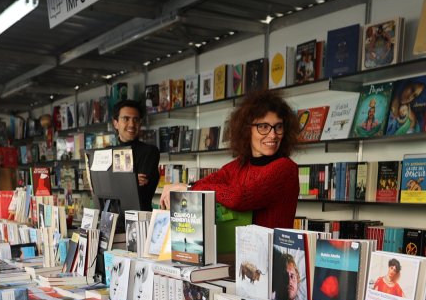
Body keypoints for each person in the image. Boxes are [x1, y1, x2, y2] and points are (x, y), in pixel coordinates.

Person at [159, 90, 300, 230]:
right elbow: (205, 183)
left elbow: (238, 198)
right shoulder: (237, 166)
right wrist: (177, 186)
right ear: (246, 130)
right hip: (239, 250)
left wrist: (189, 188)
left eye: (278, 127)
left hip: (272, 251)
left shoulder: (285, 168)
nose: (273, 135)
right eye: (263, 127)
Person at [110, 99, 160, 209]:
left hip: (139, 220)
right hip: (111, 219)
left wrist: (111, 181)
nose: (132, 124)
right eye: (126, 119)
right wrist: (131, 180)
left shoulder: (150, 151)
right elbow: (98, 188)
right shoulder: (107, 152)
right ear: (116, 123)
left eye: (136, 120)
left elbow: (140, 191)